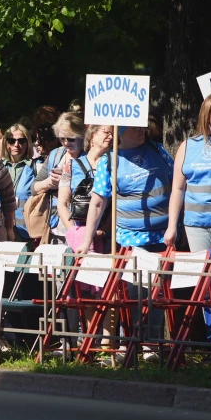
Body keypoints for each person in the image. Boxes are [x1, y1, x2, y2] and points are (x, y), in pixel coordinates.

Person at [76, 126, 174, 361]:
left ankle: (152, 344)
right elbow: (98, 202)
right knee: (129, 295)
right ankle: (129, 344)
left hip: (161, 238)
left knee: (155, 294)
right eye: (134, 128)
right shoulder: (109, 161)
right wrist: (86, 240)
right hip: (128, 240)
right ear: (120, 133)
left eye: (142, 127)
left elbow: (179, 184)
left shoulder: (158, 150)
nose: (142, 131)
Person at [165, 93, 211, 251]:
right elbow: (177, 189)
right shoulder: (188, 146)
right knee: (202, 274)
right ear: (207, 115)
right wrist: (172, 226)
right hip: (195, 224)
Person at [31, 113, 86, 244]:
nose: (66, 143)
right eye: (62, 139)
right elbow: (33, 188)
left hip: (82, 225)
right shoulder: (56, 154)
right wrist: (49, 182)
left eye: (71, 139)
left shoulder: (91, 157)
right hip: (54, 226)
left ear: (82, 136)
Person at [58, 124, 112, 254]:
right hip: (77, 233)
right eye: (106, 132)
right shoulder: (70, 166)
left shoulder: (115, 165)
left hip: (106, 236)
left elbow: (117, 203)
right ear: (92, 135)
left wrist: (103, 230)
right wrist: (75, 233)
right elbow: (63, 204)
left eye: (113, 134)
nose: (110, 136)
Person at [2, 124, 34, 243]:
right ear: (6, 143)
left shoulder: (37, 167)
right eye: (11, 140)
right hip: (2, 229)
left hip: (27, 231)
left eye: (21, 141)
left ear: (28, 143)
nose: (16, 145)